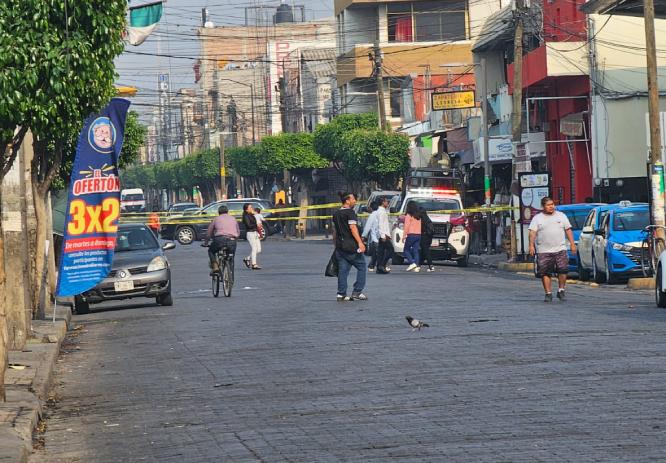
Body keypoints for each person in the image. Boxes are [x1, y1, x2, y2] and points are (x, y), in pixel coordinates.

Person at [528, 196, 576, 302]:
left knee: (563, 270)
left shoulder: (561, 216)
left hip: (560, 248)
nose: (551, 207)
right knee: (545, 272)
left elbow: (568, 230)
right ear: (543, 206)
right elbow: (532, 232)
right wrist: (531, 245)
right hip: (543, 250)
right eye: (548, 205)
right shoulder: (537, 218)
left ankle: (561, 290)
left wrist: (572, 244)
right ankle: (548, 293)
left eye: (552, 204)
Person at [332, 192, 367, 301]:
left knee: (343, 270)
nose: (355, 201)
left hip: (340, 247)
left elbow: (334, 231)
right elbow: (353, 228)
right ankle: (357, 291)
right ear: (347, 201)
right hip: (351, 246)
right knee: (362, 266)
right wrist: (360, 243)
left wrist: (335, 245)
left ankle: (341, 293)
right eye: (353, 199)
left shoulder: (336, 214)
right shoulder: (350, 213)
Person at [204, 205, 240, 274]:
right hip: (232, 241)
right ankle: (230, 271)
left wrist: (206, 243)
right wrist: (235, 238)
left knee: (211, 251)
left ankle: (215, 267)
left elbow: (209, 233)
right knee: (231, 256)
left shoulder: (216, 219)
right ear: (227, 212)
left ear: (218, 212)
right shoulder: (233, 218)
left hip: (219, 240)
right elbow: (238, 232)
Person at [402, 201, 422, 272]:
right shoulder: (418, 216)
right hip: (418, 235)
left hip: (411, 234)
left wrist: (404, 236)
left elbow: (406, 226)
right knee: (415, 251)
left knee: (406, 250)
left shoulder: (408, 215)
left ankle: (412, 262)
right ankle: (416, 266)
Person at [375, 197, 393, 274]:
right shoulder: (381, 212)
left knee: (381, 251)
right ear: (383, 202)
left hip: (384, 234)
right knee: (390, 250)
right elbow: (381, 224)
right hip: (383, 234)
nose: (387, 203)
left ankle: (379, 267)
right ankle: (382, 265)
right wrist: (383, 235)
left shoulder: (382, 211)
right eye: (386, 201)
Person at [242, 203, 262, 270]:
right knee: (254, 248)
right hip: (250, 233)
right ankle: (254, 264)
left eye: (252, 207)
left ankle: (247, 258)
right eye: (250, 207)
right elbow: (248, 225)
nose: (252, 208)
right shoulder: (245, 216)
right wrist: (256, 225)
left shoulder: (252, 215)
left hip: (255, 232)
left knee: (258, 249)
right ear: (246, 209)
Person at [362, 202, 380, 272]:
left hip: (374, 238)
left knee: (376, 252)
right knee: (378, 252)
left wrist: (363, 236)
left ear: (371, 208)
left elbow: (367, 227)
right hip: (381, 236)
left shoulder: (372, 215)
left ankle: (373, 265)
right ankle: (374, 265)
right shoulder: (381, 214)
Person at [419, 207, 435, 272]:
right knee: (423, 251)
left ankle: (431, 265)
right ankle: (418, 265)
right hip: (429, 237)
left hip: (424, 236)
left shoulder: (421, 219)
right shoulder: (427, 218)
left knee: (426, 251)